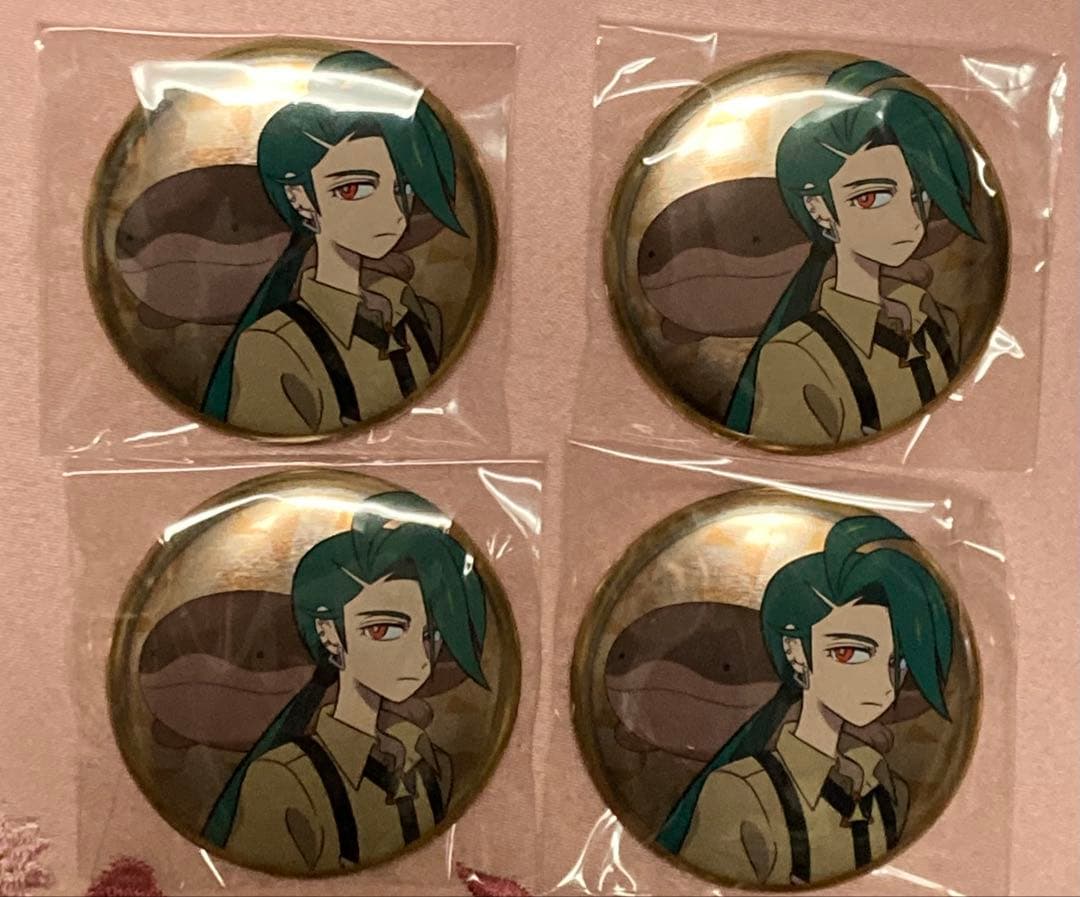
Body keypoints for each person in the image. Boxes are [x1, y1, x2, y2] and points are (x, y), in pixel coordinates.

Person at [656, 514, 954, 887]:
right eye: (849, 653)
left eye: (897, 663)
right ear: (796, 652)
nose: (882, 684)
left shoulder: (881, 783)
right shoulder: (741, 792)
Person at [202, 491, 487, 873]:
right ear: (329, 634)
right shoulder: (286, 779)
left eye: (430, 635)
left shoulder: (426, 759)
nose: (418, 658)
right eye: (384, 629)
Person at [202, 51, 464, 436]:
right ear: (300, 199)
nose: (392, 213)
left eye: (402, 189)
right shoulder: (274, 345)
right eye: (354, 189)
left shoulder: (416, 316)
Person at [724, 60, 979, 447]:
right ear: (819, 210)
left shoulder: (931, 319)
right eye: (871, 198)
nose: (910, 220)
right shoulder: (797, 356)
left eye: (919, 195)